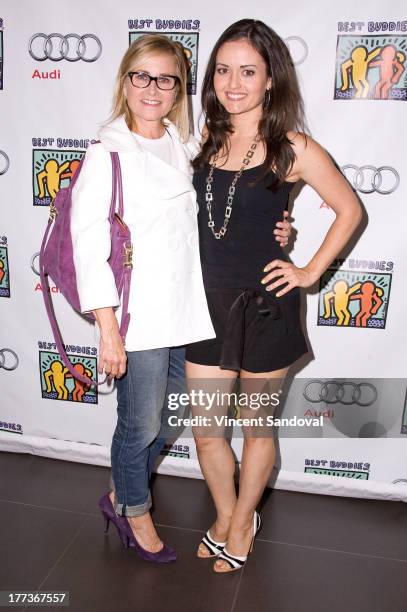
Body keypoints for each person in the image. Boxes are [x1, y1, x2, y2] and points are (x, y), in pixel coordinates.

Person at [70, 33, 291, 564]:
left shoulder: (184, 145)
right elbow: (86, 245)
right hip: (136, 316)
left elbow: (224, 209)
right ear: (125, 82)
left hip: (188, 312)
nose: (152, 88)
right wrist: (107, 329)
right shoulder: (107, 154)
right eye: (140, 76)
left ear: (179, 91)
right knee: (141, 423)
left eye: (165, 79)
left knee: (171, 417)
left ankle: (123, 487)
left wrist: (278, 229)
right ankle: (131, 508)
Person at [185, 19, 362, 573]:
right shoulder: (201, 140)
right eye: (222, 70)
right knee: (208, 431)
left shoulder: (292, 146)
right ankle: (224, 512)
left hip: (266, 307)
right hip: (204, 304)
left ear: (269, 81)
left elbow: (350, 209)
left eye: (248, 72)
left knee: (258, 429)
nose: (232, 83)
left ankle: (241, 525)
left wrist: (308, 271)